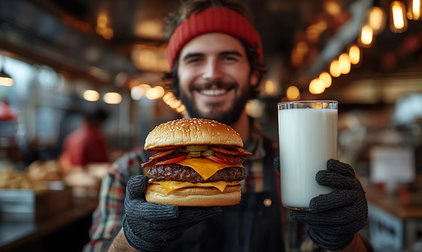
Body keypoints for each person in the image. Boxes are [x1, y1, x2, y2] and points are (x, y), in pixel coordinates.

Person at [83, 1, 371, 251]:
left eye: (229, 58)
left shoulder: (295, 167)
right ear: (176, 78)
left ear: (254, 75)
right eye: (195, 59)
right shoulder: (127, 172)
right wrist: (132, 239)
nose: (212, 74)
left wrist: (343, 240)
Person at [60, 108, 109, 174]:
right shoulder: (96, 137)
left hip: (71, 176)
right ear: (97, 122)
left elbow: (63, 159)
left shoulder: (70, 137)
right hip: (89, 178)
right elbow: (103, 161)